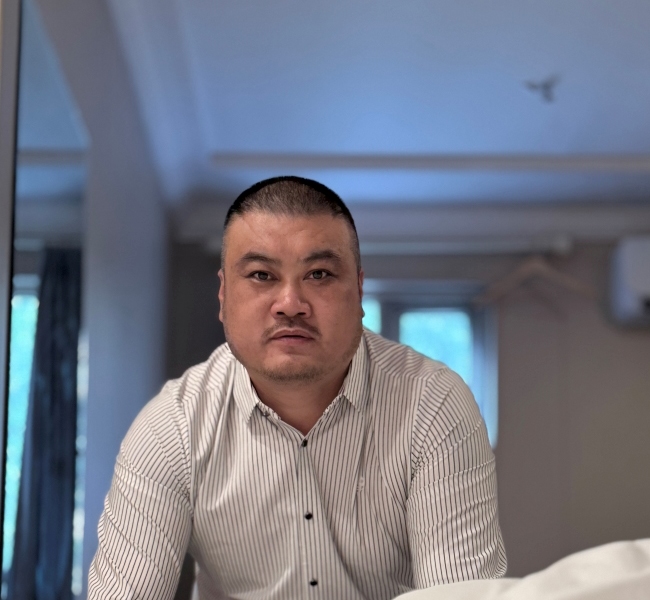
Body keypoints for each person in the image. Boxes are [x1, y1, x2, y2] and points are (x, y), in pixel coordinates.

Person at [88, 176, 507, 600]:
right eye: (261, 275)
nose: (290, 304)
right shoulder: (172, 427)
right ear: (223, 295)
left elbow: (460, 595)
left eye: (319, 274)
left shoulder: (432, 405)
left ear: (358, 290)